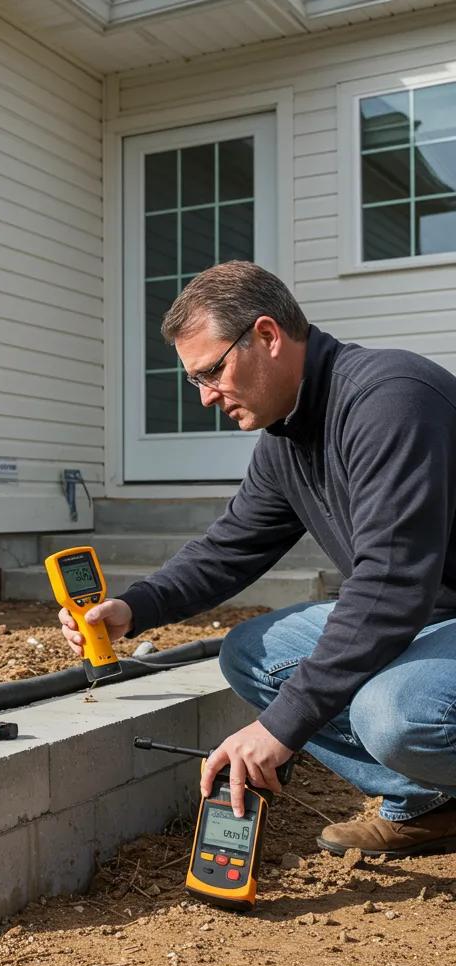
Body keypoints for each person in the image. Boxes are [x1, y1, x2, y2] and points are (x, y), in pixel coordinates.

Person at [60, 261, 456, 857]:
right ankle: (432, 805)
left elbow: (391, 585)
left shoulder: (390, 401)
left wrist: (280, 728)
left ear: (267, 336)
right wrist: (134, 609)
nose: (204, 397)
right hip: (428, 613)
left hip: (427, 608)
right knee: (251, 654)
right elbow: (230, 547)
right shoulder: (286, 436)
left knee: (399, 715)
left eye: (211, 372)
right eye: (194, 380)